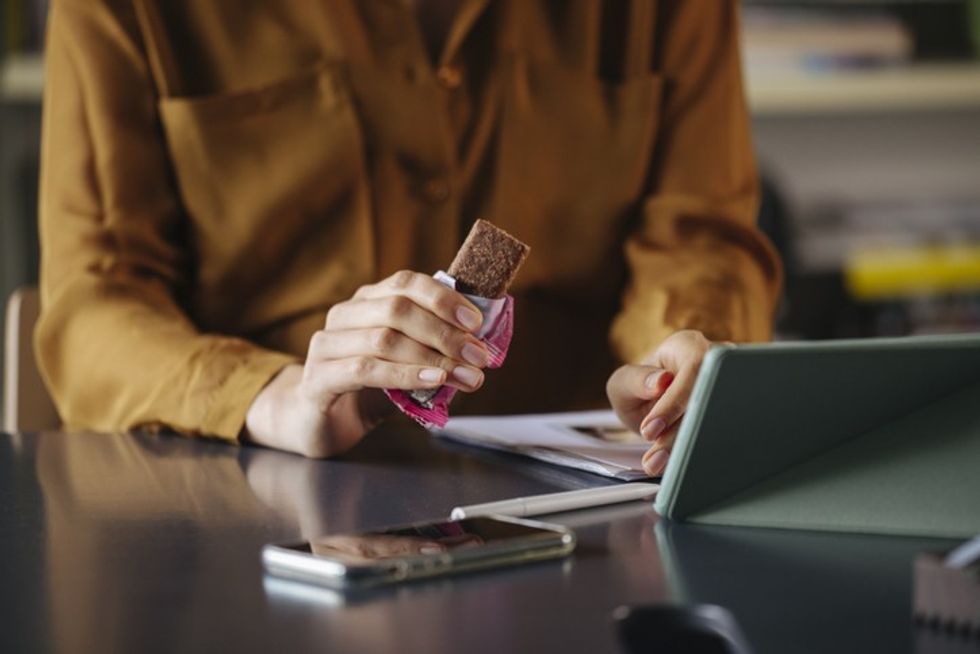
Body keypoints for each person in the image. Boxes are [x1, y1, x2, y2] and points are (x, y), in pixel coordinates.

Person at [35, 0, 780, 476]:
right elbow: (96, 300)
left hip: (591, 502)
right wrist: (280, 397)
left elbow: (698, 237)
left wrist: (676, 361)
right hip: (256, 501)